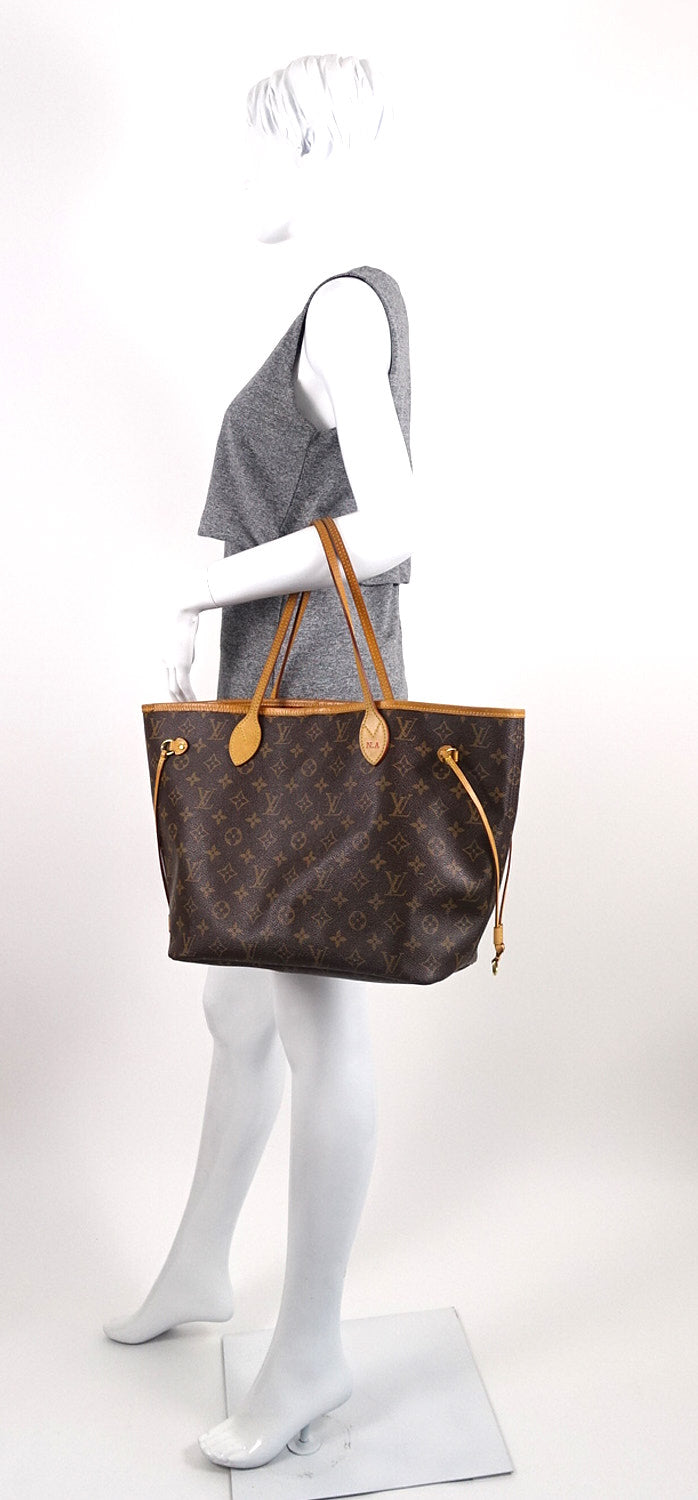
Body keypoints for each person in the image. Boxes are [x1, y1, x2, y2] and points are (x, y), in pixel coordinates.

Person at [104, 53, 416, 1470]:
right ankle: (199, 1265)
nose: (241, 178)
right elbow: (267, 484)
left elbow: (395, 527)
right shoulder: (321, 306)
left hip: (316, 693)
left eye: (259, 150)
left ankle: (311, 1353)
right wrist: (201, 599)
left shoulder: (345, 305)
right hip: (269, 688)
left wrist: (202, 591)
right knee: (239, 1005)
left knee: (313, 1016)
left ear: (317, 150)